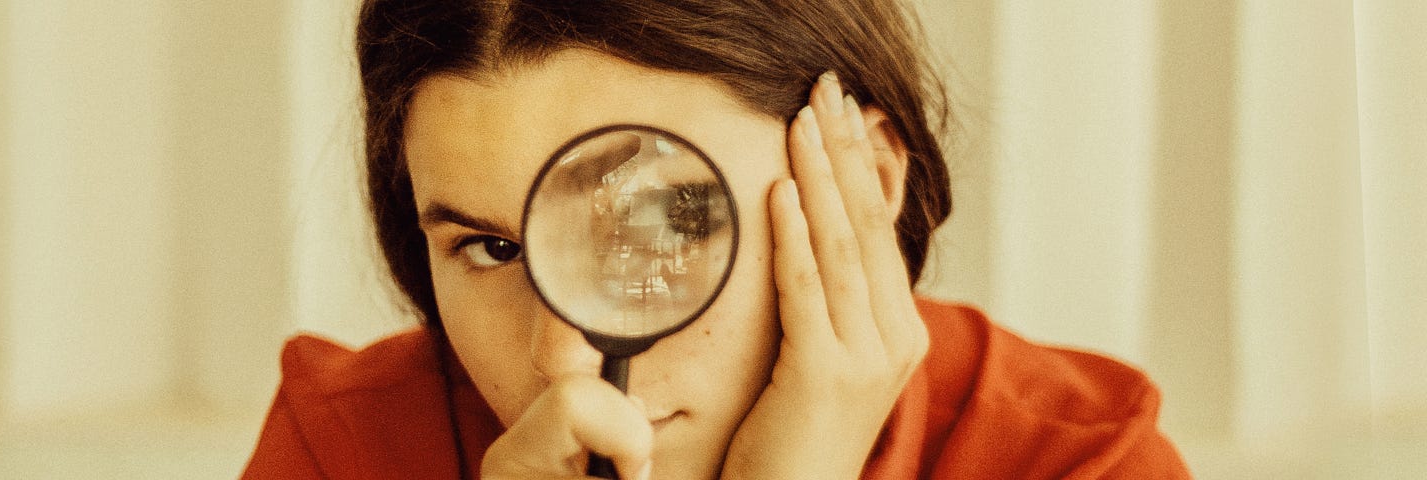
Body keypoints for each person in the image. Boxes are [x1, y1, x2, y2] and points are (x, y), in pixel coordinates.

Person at [243, 0, 1192, 478]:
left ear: (863, 177)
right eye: (491, 250)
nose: (563, 354)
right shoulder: (347, 449)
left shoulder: (1074, 463)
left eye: (661, 220)